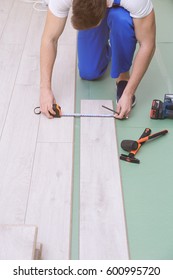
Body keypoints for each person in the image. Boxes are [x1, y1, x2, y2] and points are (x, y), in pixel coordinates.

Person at [40, 0, 156, 119]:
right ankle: (109, 48)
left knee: (121, 20)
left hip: (121, 13)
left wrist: (129, 93)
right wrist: (45, 89)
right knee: (89, 72)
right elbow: (50, 39)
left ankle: (123, 76)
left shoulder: (135, 2)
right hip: (98, 8)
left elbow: (148, 44)